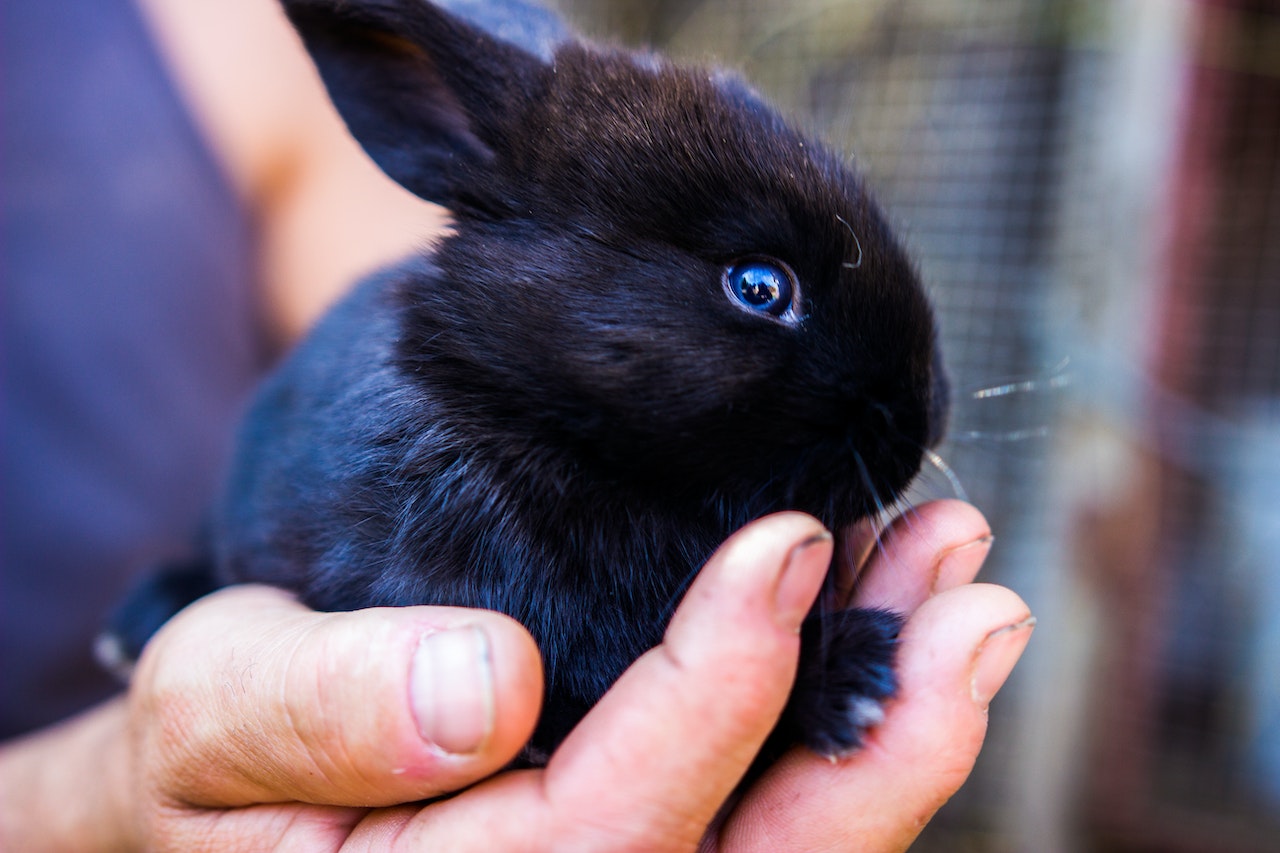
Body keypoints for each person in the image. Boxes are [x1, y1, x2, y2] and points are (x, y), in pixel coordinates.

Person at [0, 1, 1034, 849]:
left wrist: (800, 661)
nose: (910, 413)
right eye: (760, 286)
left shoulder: (209, 46)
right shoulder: (444, 468)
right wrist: (92, 798)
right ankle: (186, 584)